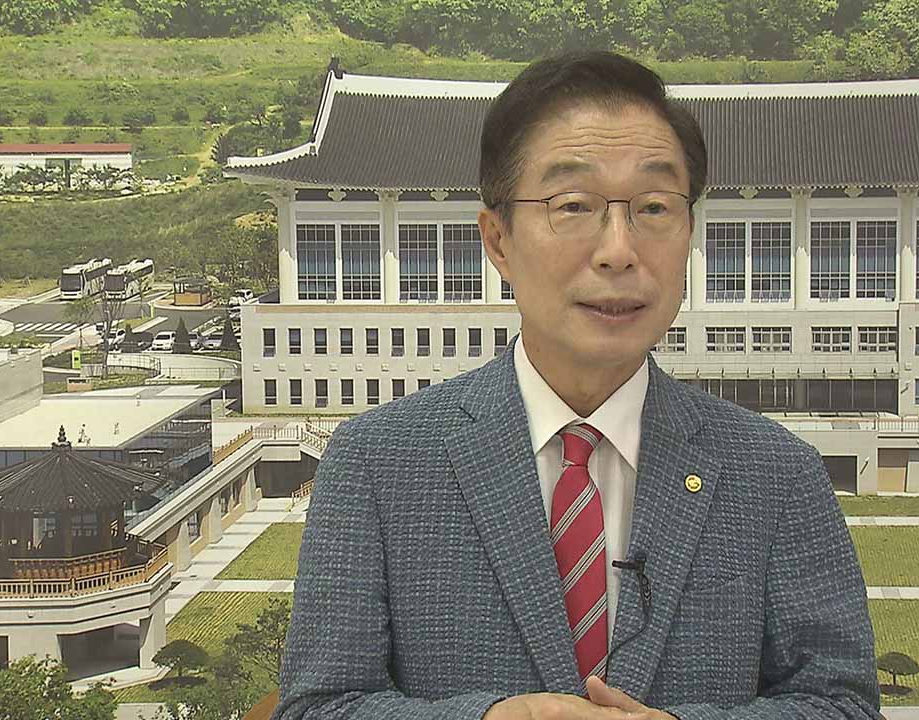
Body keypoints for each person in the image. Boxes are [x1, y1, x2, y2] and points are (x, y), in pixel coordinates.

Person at [274, 50, 880, 720]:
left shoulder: (776, 471)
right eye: (574, 205)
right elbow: (317, 706)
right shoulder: (378, 461)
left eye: (654, 206)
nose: (618, 250)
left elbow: (841, 705)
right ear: (498, 240)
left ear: (689, 231)